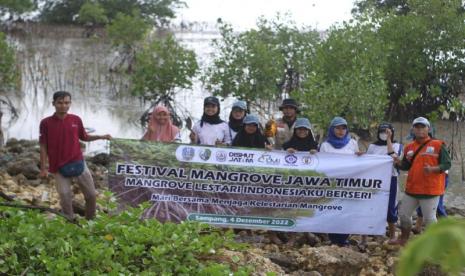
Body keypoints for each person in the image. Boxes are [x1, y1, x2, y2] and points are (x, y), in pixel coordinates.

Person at [39, 91, 111, 220]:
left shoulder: (76, 120)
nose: (63, 106)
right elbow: (43, 146)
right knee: (65, 196)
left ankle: (91, 220)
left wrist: (101, 136)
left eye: (66, 103)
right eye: (60, 103)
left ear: (70, 104)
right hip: (58, 166)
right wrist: (43, 168)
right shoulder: (46, 123)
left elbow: (84, 137)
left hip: (78, 162)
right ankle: (70, 221)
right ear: (53, 104)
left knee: (91, 195)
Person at [389, 117, 451, 246]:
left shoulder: (439, 144)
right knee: (404, 214)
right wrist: (398, 163)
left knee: (429, 219)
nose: (420, 129)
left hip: (431, 190)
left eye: (423, 127)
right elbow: (406, 166)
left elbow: (447, 164)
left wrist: (433, 169)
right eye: (417, 127)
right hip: (412, 189)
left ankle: (431, 244)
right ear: (413, 129)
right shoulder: (409, 147)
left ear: (428, 129)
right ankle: (404, 238)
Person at [319, 116, 361, 246]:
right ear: (332, 129)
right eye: (337, 128)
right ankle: (333, 239)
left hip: (348, 184)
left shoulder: (352, 143)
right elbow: (321, 164)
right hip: (331, 184)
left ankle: (344, 239)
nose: (341, 131)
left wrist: (361, 156)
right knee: (332, 209)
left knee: (346, 210)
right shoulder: (325, 145)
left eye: (343, 128)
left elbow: (359, 161)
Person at [367, 123, 403, 242]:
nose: (384, 134)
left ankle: (392, 235)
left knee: (390, 207)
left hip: (390, 179)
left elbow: (393, 156)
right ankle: (368, 234)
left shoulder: (397, 145)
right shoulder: (372, 146)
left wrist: (388, 139)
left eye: (387, 132)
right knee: (370, 206)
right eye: (382, 132)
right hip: (375, 180)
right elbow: (366, 162)